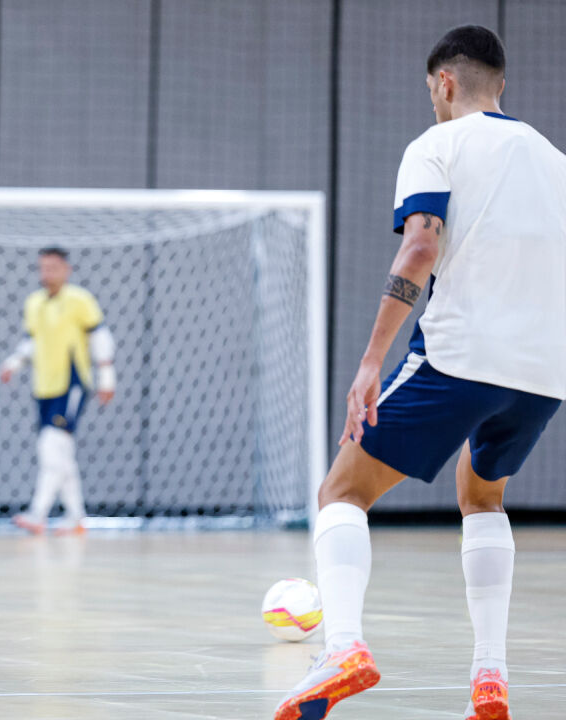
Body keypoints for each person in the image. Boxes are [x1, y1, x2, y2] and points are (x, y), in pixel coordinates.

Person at [274, 26, 566, 720]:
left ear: (443, 83)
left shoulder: (437, 145)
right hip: (544, 369)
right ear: (503, 84)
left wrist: (372, 360)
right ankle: (489, 678)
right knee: (484, 497)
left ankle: (343, 647)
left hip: (459, 355)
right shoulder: (557, 163)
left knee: (342, 489)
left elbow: (420, 248)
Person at [0, 247, 116, 535]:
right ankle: (76, 517)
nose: (47, 273)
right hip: (44, 386)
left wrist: (107, 379)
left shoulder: (80, 300)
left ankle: (38, 513)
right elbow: (32, 341)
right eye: (43, 267)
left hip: (72, 383)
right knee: (61, 453)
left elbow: (99, 335)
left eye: (53, 267)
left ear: (66, 270)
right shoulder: (34, 303)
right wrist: (14, 363)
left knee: (51, 448)